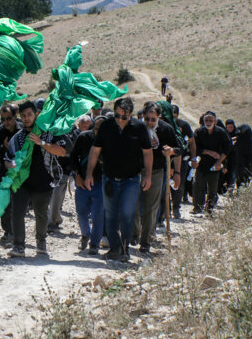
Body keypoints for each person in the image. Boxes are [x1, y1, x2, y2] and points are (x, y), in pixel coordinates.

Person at [85, 97, 152, 262]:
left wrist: (148, 175)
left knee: (128, 214)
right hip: (109, 178)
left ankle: (125, 248)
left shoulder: (139, 127)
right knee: (111, 215)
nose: (120, 120)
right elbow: (95, 150)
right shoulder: (106, 126)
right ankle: (115, 249)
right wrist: (89, 174)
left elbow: (147, 152)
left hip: (131, 179)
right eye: (117, 116)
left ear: (130, 115)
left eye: (124, 117)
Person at [6, 101, 72, 257]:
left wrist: (41, 143)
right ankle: (18, 246)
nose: (27, 118)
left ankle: (41, 242)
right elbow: (7, 159)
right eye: (23, 116)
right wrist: (11, 165)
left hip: (44, 182)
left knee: (41, 215)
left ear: (36, 114)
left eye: (29, 114)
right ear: (19, 117)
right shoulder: (17, 138)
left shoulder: (49, 133)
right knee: (17, 213)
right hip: (22, 182)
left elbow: (63, 151)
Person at [132, 102, 181, 254]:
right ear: (142, 116)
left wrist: (171, 150)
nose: (150, 122)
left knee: (151, 208)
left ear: (158, 117)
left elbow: (180, 148)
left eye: (153, 119)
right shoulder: (135, 128)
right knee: (133, 204)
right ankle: (134, 233)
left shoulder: (166, 129)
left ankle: (146, 241)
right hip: (136, 171)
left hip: (156, 171)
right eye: (147, 119)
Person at [70, 115, 107, 255]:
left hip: (101, 183)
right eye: (98, 129)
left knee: (98, 214)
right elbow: (73, 157)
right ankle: (86, 234)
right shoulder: (84, 138)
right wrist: (77, 176)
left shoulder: (111, 141)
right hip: (82, 182)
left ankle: (94, 244)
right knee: (81, 212)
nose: (100, 132)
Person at [0, 104, 23, 246]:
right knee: (4, 203)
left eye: (9, 118)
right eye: (3, 119)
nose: (6, 122)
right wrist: (4, 147)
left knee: (19, 204)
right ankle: (8, 231)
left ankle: (18, 232)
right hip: (4, 173)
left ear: (15, 116)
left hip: (21, 174)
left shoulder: (22, 130)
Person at [47, 116, 87, 232]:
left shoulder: (68, 134)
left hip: (63, 170)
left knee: (56, 196)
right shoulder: (47, 133)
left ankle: (52, 222)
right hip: (49, 169)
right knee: (52, 197)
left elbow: (71, 150)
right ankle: (54, 219)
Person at [190, 111, 231, 215]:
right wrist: (209, 152)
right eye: (206, 120)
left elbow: (227, 149)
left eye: (210, 120)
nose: (208, 122)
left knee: (212, 188)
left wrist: (219, 162)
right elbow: (194, 147)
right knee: (197, 185)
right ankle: (197, 207)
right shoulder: (198, 132)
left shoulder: (221, 132)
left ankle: (209, 209)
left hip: (214, 165)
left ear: (215, 121)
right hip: (201, 162)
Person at [171, 104, 195, 210]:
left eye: (174, 116)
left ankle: (176, 207)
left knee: (179, 184)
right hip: (167, 159)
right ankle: (165, 211)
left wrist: (194, 158)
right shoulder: (164, 124)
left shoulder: (184, 125)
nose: (172, 118)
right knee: (165, 186)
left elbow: (192, 142)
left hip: (182, 159)